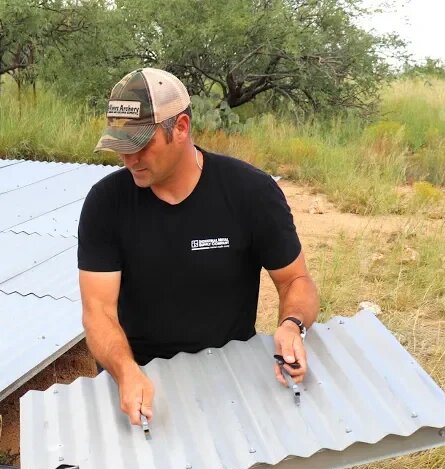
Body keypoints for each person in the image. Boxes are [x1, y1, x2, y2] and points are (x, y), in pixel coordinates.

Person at [78, 68, 320, 429]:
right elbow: (98, 311)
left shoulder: (250, 193)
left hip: (226, 372)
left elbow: (295, 279)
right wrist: (125, 371)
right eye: (120, 147)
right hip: (139, 378)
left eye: (141, 145)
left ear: (181, 128)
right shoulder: (105, 203)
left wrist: (291, 324)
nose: (130, 160)